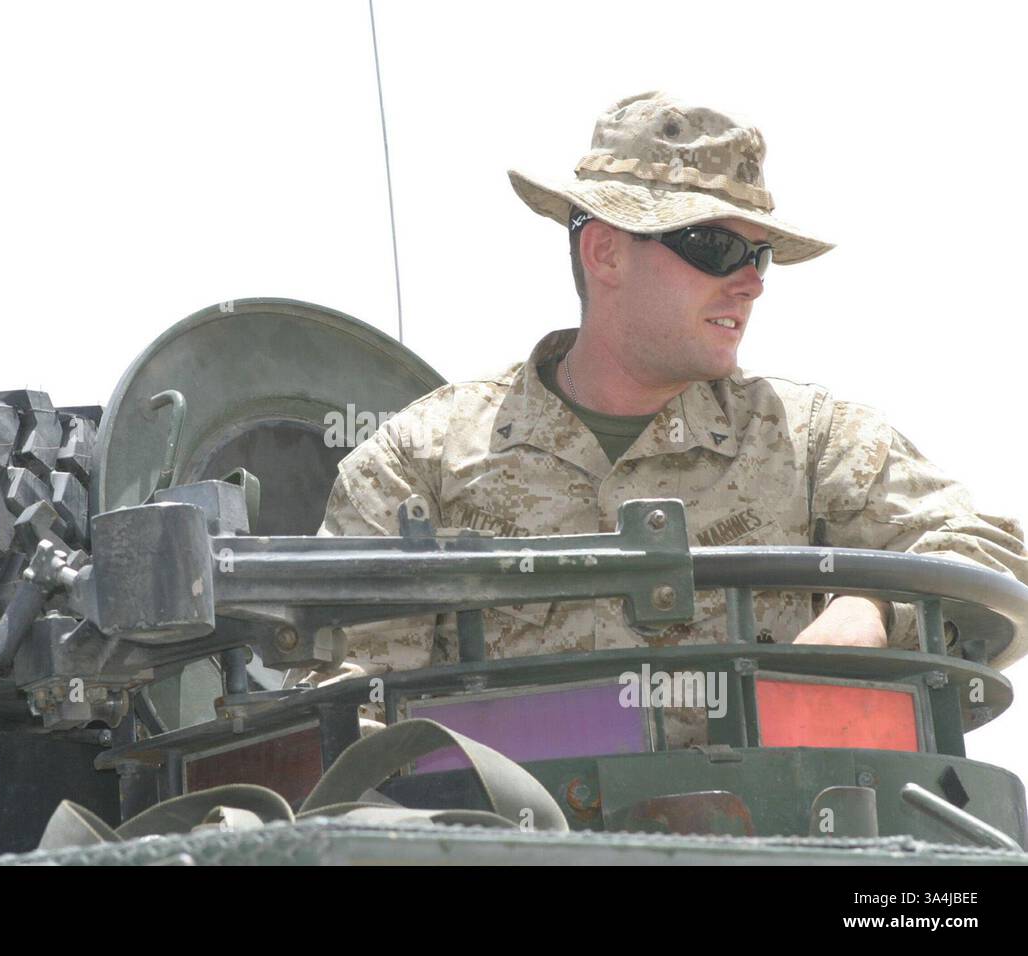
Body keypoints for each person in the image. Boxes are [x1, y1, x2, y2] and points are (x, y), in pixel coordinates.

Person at [309, 90, 1028, 744]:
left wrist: (872, 612)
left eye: (760, 255)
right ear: (605, 252)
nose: (748, 283)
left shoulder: (811, 445)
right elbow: (351, 717)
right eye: (714, 247)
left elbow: (994, 558)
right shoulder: (420, 461)